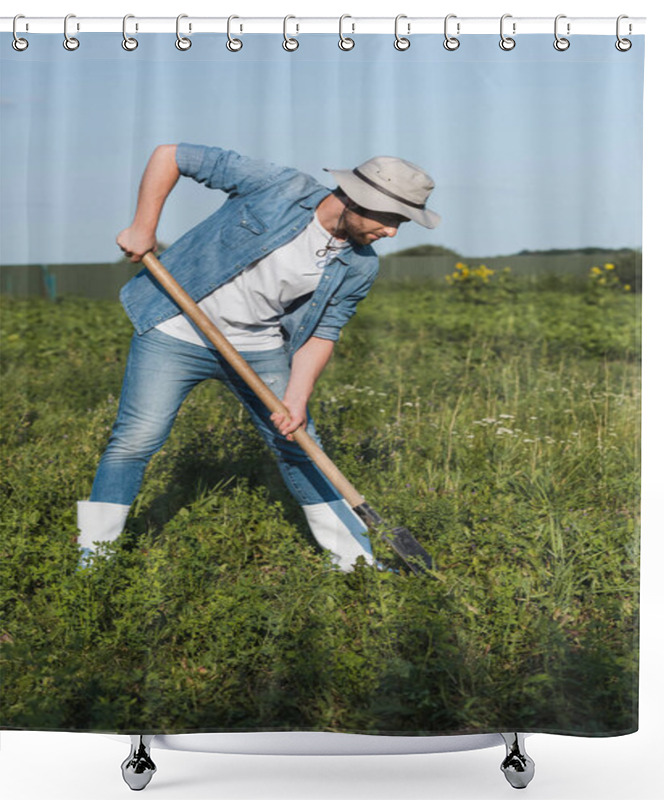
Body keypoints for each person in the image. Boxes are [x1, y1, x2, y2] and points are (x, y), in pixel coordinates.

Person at [77, 143, 440, 572]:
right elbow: (170, 155)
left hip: (258, 349)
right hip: (174, 330)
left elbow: (322, 333)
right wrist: (144, 225)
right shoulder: (278, 186)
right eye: (391, 219)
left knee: (300, 444)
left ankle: (354, 563)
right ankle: (93, 564)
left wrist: (297, 400)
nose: (393, 232)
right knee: (136, 440)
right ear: (360, 200)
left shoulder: (359, 266)